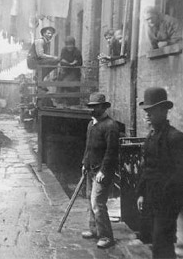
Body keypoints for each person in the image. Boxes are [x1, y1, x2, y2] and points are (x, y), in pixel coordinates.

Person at [137, 87, 183, 259]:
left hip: (168, 199)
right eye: (146, 111)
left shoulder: (176, 138)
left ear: (163, 111)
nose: (147, 115)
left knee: (162, 241)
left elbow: (182, 172)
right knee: (154, 239)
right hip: (152, 197)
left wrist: (164, 195)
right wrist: (142, 194)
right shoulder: (151, 137)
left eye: (151, 111)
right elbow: (147, 168)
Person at [81, 92, 119, 249]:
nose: (92, 109)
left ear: (103, 107)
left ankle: (106, 236)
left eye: (96, 107)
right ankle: (94, 230)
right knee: (91, 199)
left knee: (98, 202)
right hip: (90, 168)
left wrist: (103, 170)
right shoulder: (91, 124)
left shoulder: (111, 126)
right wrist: (85, 163)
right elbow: (88, 147)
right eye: (91, 107)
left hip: (102, 172)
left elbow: (112, 151)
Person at [58, 36, 83, 105]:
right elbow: (61, 60)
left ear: (73, 44)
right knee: (60, 82)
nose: (69, 47)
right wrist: (67, 63)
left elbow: (79, 62)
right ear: (66, 45)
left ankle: (74, 103)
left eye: (71, 44)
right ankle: (61, 101)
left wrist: (74, 63)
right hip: (65, 71)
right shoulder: (63, 50)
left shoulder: (77, 51)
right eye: (68, 45)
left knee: (72, 86)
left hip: (74, 72)